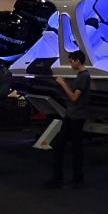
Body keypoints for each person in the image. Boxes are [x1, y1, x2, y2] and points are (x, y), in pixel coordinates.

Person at [44, 50, 92, 189]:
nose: (70, 65)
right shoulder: (81, 76)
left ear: (78, 61)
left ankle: (74, 179)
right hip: (72, 115)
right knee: (65, 146)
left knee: (73, 148)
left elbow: (74, 98)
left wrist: (63, 83)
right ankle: (63, 178)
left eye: (71, 62)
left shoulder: (84, 77)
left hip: (76, 116)